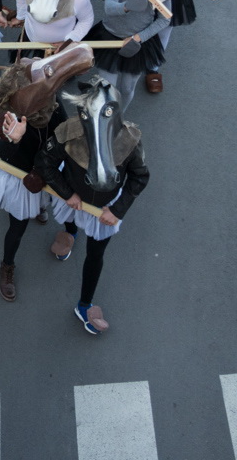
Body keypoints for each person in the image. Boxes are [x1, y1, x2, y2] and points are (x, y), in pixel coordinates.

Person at [0, 43, 93, 301]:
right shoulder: (9, 117)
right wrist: (14, 139)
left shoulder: (50, 104)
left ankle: (42, 210)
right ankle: (6, 266)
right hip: (23, 176)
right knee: (17, 228)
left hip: (48, 170)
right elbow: (4, 153)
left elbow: (63, 129)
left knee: (53, 201)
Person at [38, 76, 149, 335]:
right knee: (70, 218)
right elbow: (45, 162)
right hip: (74, 198)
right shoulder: (68, 131)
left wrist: (117, 209)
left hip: (104, 210)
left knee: (96, 254)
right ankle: (70, 232)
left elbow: (140, 176)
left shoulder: (130, 139)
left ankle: (84, 304)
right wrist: (67, 194)